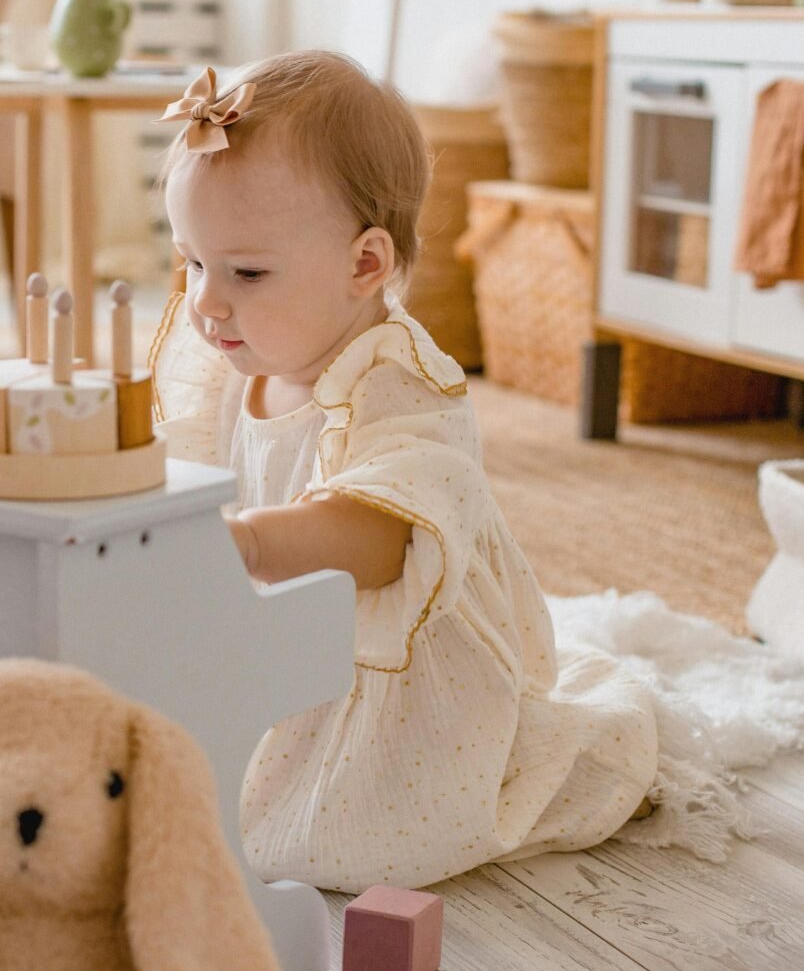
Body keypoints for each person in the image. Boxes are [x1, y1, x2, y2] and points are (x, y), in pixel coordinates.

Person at [148, 51, 660, 895]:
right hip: (292, 629)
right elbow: (189, 468)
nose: (206, 301)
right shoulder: (238, 366)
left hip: (403, 666)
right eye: (193, 262)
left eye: (245, 272)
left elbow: (379, 537)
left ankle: (572, 754)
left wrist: (241, 543)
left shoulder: (396, 381)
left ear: (365, 265)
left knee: (349, 837)